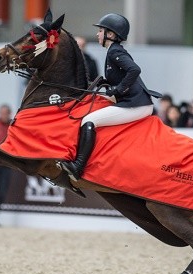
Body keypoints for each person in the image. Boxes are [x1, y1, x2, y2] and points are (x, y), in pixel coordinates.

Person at [60, 13, 155, 181]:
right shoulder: (112, 51)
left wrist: (117, 90)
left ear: (110, 35)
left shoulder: (115, 51)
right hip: (133, 102)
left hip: (136, 105)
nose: (97, 34)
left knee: (88, 121)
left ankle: (78, 167)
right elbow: (118, 76)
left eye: (101, 31)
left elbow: (134, 70)